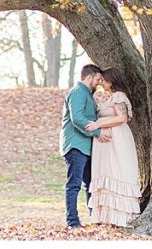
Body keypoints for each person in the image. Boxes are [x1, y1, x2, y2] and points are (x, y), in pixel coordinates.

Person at [85, 67, 140, 227]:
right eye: (99, 79)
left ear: (112, 80)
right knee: (106, 171)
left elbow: (121, 117)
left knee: (117, 170)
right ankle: (107, 216)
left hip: (117, 139)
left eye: (104, 79)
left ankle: (121, 216)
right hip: (106, 141)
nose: (101, 82)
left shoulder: (118, 95)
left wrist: (97, 124)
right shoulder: (109, 96)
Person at [60, 64, 112, 230]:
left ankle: (94, 217)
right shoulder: (77, 93)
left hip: (87, 147)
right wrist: (97, 132)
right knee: (74, 184)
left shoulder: (88, 94)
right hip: (76, 145)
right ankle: (72, 222)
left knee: (91, 184)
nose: (98, 83)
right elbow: (77, 119)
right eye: (97, 79)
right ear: (89, 77)